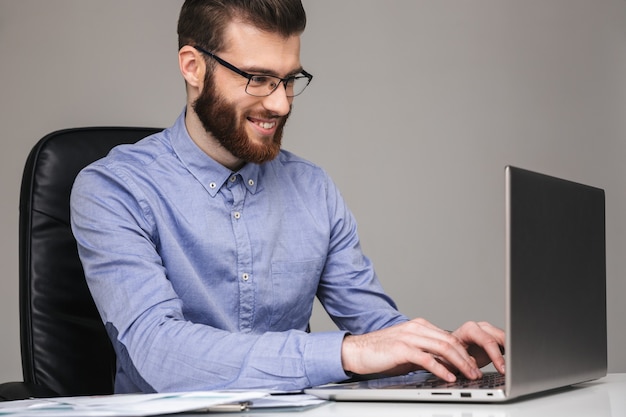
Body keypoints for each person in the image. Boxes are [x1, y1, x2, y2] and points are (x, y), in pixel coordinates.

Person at [70, 0, 505, 394]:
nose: (280, 104)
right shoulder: (114, 189)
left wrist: (446, 352)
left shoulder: (313, 189)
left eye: (289, 80)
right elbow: (159, 352)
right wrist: (345, 353)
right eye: (258, 79)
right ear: (193, 67)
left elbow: (376, 335)